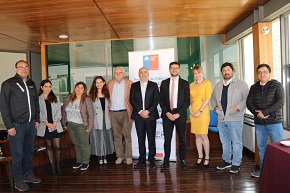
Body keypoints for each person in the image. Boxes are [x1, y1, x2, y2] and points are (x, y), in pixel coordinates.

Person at [0, 60, 42, 192]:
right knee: (17, 154)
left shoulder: (31, 84)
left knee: (29, 153)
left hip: (31, 124)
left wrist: (37, 120)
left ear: (28, 69)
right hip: (16, 125)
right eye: (21, 67)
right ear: (16, 69)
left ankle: (28, 174)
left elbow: (36, 104)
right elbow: (4, 106)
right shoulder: (8, 84)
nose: (24, 69)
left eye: (26, 67)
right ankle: (18, 180)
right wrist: (9, 126)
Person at [246, 64, 285, 178]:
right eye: (259, 72)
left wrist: (265, 112)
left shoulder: (277, 85)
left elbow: (280, 102)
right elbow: (249, 102)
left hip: (274, 122)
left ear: (269, 73)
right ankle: (263, 170)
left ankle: (279, 172)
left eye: (264, 72)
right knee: (261, 147)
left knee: (278, 147)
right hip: (259, 123)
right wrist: (257, 113)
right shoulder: (254, 87)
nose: (261, 74)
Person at [210, 62, 249, 174]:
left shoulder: (241, 84)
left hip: (235, 118)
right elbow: (212, 99)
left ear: (233, 71)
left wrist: (238, 107)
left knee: (236, 142)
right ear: (222, 72)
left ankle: (236, 163)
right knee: (225, 142)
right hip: (221, 119)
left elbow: (247, 99)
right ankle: (226, 161)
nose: (226, 72)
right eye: (224, 70)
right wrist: (216, 108)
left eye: (228, 70)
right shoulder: (218, 85)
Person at [159, 61, 190, 169]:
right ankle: (166, 161)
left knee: (182, 139)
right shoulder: (164, 83)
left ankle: (182, 160)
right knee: (167, 139)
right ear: (169, 69)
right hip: (167, 114)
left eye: (176, 68)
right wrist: (167, 113)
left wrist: (178, 114)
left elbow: (187, 101)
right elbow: (161, 100)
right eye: (172, 68)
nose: (174, 70)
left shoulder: (185, 83)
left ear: (179, 69)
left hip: (179, 115)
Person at [130, 67, 160, 169]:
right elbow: (132, 100)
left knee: (151, 139)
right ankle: (142, 159)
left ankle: (152, 159)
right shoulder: (134, 86)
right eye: (141, 72)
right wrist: (140, 111)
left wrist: (148, 111)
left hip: (150, 116)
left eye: (145, 72)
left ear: (148, 74)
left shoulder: (154, 85)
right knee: (141, 139)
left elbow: (156, 100)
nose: (143, 74)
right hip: (139, 117)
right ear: (139, 74)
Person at [62, 82, 94, 171]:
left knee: (84, 144)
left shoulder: (86, 99)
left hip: (81, 125)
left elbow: (91, 114)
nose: (79, 89)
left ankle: (85, 162)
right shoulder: (69, 97)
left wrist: (90, 127)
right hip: (71, 124)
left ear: (84, 90)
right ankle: (79, 161)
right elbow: (64, 111)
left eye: (81, 88)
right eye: (77, 87)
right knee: (76, 144)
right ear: (75, 88)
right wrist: (64, 123)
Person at [107, 66, 133, 165]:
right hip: (113, 113)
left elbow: (134, 98)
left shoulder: (129, 83)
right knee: (116, 136)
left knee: (127, 136)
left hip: (125, 112)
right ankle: (119, 156)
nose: (117, 75)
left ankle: (129, 156)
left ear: (124, 74)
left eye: (119, 73)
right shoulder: (110, 83)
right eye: (115, 73)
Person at [37, 79, 63, 175]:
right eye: (46, 86)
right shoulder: (38, 99)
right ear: (42, 87)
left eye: (49, 86)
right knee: (48, 146)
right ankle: (52, 167)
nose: (48, 88)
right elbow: (38, 113)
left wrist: (54, 124)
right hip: (45, 126)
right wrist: (48, 124)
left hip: (56, 125)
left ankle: (58, 166)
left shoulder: (55, 97)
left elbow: (59, 112)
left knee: (57, 146)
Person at [189, 66, 212, 169]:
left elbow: (207, 99)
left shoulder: (207, 83)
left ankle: (207, 157)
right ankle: (200, 156)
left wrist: (199, 111)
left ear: (202, 73)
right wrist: (191, 111)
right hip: (193, 112)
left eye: (199, 73)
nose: (197, 75)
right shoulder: (191, 85)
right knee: (197, 135)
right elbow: (188, 100)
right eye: (195, 73)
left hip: (202, 112)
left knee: (203, 135)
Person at [89, 76, 114, 165]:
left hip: (106, 118)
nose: (99, 84)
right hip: (96, 119)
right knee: (98, 138)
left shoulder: (107, 93)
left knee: (106, 137)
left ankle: (105, 156)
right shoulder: (91, 95)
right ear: (94, 84)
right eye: (97, 82)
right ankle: (100, 156)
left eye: (100, 82)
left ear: (104, 83)